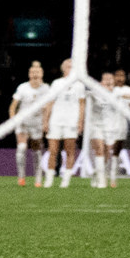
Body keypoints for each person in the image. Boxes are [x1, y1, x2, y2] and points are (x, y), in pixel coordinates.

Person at [40, 59, 85, 188]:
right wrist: (46, 120)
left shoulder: (79, 85)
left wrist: (80, 121)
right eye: (67, 66)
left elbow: (82, 104)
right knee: (52, 150)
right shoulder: (56, 83)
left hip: (71, 122)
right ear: (63, 68)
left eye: (72, 66)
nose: (70, 68)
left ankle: (66, 180)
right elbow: (50, 102)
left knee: (70, 151)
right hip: (56, 121)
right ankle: (49, 179)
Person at [8, 61, 53, 187]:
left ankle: (38, 178)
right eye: (33, 72)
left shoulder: (46, 89)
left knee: (36, 150)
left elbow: (49, 106)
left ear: (42, 74)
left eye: (37, 72)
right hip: (23, 121)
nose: (35, 74)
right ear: (29, 74)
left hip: (37, 122)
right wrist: (13, 120)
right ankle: (21, 177)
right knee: (21, 148)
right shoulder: (23, 87)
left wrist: (46, 121)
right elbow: (13, 106)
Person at [88, 70, 129, 189]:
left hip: (110, 128)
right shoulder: (95, 92)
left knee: (106, 154)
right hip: (96, 126)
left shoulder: (117, 94)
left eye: (110, 79)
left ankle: (96, 173)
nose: (108, 81)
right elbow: (86, 92)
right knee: (99, 150)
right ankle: (102, 181)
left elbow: (129, 97)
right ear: (101, 81)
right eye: (105, 79)